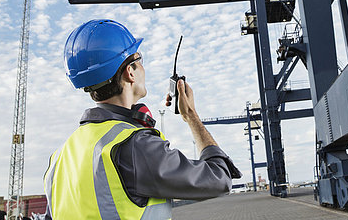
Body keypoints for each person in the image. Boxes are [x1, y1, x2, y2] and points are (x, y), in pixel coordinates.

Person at [44, 19, 241, 219]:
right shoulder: (135, 145)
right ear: (130, 72)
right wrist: (191, 116)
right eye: (140, 60)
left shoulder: (58, 159)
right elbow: (219, 178)